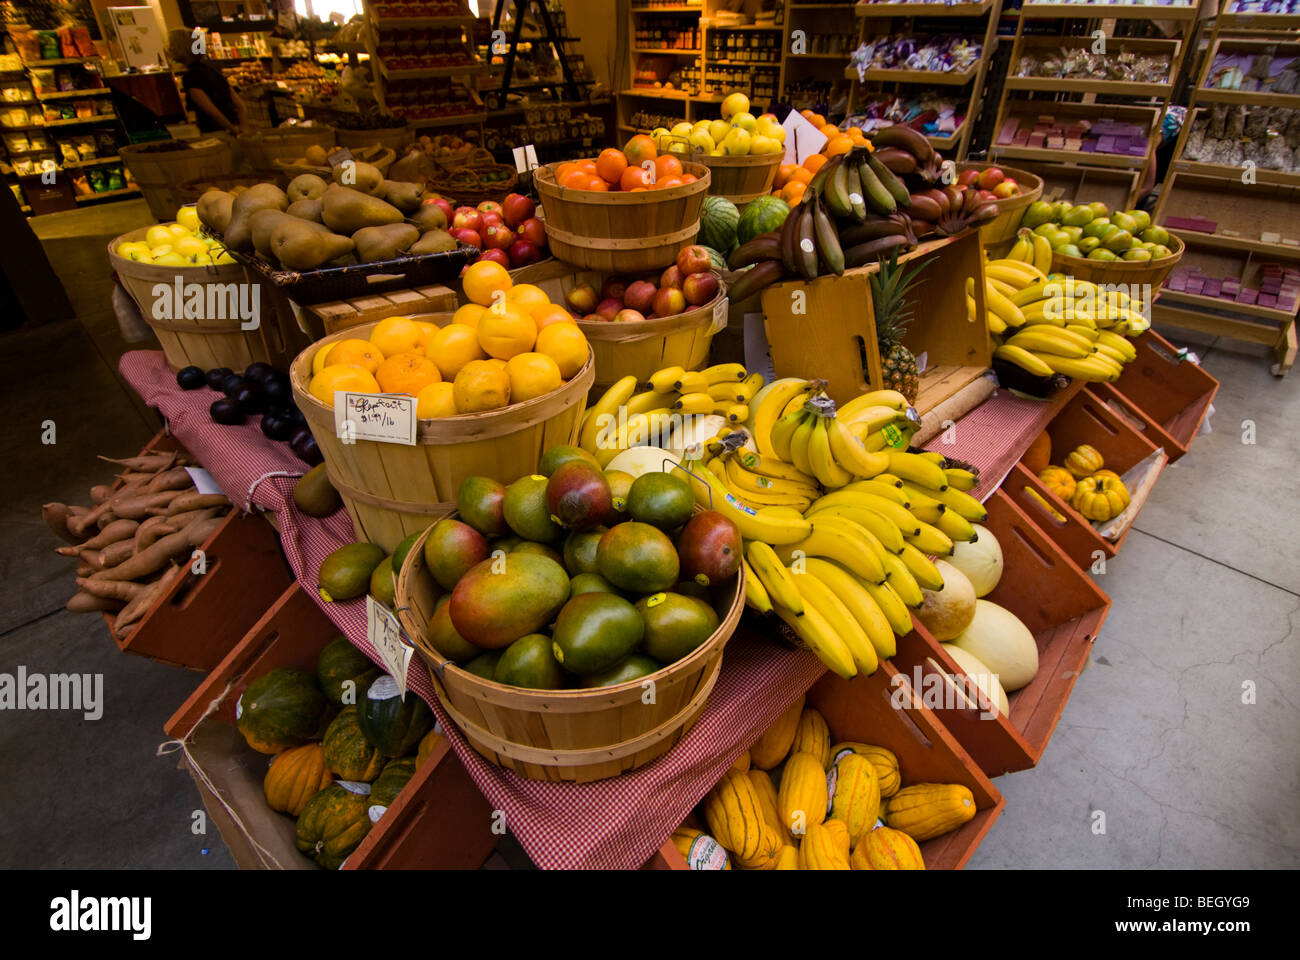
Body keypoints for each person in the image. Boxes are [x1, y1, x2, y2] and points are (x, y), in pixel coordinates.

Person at [167, 29, 247, 135]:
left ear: (183, 48)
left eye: (172, 45)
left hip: (215, 132)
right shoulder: (213, 70)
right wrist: (242, 129)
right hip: (232, 126)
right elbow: (240, 105)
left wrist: (231, 130)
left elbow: (211, 111)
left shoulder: (191, 77)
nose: (169, 49)